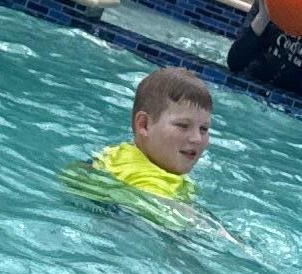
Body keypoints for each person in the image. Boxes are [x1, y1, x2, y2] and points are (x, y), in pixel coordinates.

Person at [69, 62, 214, 207]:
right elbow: (169, 212)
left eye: (204, 129)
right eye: (183, 125)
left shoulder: (122, 155)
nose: (196, 138)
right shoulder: (146, 182)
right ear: (144, 124)